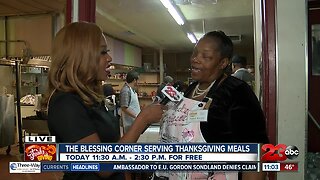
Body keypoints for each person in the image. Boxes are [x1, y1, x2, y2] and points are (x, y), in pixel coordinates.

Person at [45, 22, 164, 180]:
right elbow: (103, 166)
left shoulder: (90, 97)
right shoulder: (66, 104)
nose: (109, 58)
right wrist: (143, 119)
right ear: (81, 56)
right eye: (102, 52)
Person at [158, 31, 269, 180]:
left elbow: (256, 152)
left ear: (223, 63)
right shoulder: (191, 88)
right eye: (195, 53)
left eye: (205, 56)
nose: (195, 59)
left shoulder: (237, 92)